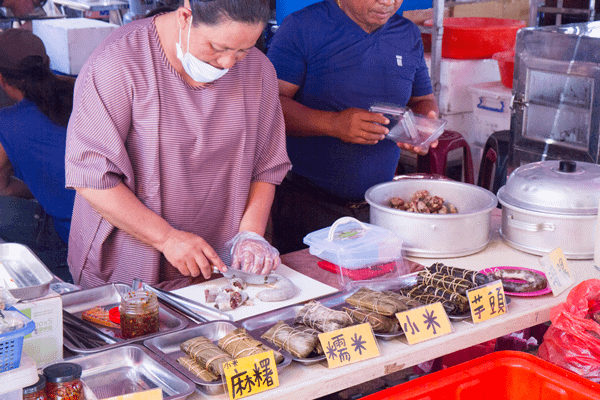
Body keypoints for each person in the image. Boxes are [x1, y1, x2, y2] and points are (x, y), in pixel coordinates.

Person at [65, 0, 291, 288]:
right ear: (185, 17)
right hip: (130, 257)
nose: (228, 63)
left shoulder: (258, 71)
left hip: (222, 262)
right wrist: (166, 238)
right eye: (218, 48)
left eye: (243, 50)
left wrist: (251, 236)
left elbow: (267, 168)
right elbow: (91, 177)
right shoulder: (118, 63)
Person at [266, 0, 440, 254]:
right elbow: (269, 106)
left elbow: (423, 100)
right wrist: (333, 124)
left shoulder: (407, 34)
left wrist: (423, 125)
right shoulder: (302, 28)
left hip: (381, 207)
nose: (388, 2)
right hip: (308, 205)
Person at [0, 29, 76, 283]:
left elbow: (4, 187)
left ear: (2, 79)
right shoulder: (82, 89)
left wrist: (40, 188)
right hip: (129, 218)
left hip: (74, 237)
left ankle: (51, 275)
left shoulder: (7, 124)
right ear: (48, 63)